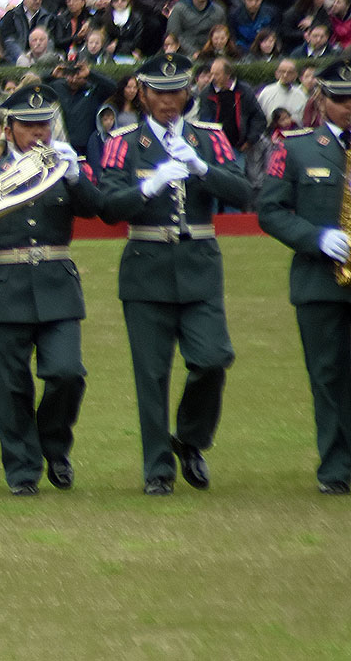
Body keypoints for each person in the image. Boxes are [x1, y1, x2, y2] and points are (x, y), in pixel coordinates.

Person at [96, 52, 252, 494]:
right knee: (151, 374)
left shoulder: (209, 137)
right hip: (146, 263)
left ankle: (190, 438)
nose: (168, 101)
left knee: (213, 358)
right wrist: (147, 186)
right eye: (158, 92)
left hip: (199, 262)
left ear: (189, 93)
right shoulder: (124, 141)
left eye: (176, 92)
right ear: (142, 95)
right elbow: (108, 206)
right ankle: (157, 470)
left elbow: (243, 192)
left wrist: (203, 170)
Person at [0, 84, 97, 496]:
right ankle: (22, 469)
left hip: (57, 282)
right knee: (11, 386)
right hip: (5, 285)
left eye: (45, 124)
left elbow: (97, 208)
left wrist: (74, 177)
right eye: (29, 125)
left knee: (67, 373)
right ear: (10, 128)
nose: (39, 133)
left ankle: (54, 445)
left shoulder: (65, 167)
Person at [258, 59, 351, 495]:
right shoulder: (295, 148)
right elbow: (271, 211)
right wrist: (315, 238)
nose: (348, 107)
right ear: (321, 100)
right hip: (320, 282)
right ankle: (336, 468)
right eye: (340, 99)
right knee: (328, 376)